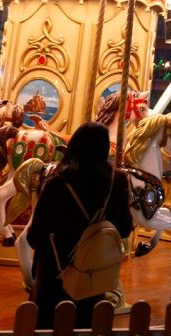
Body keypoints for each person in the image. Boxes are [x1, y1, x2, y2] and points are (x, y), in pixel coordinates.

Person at [26, 121, 133, 328]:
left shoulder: (58, 182)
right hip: (94, 275)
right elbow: (124, 227)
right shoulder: (116, 181)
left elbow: (35, 236)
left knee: (48, 324)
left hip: (56, 274)